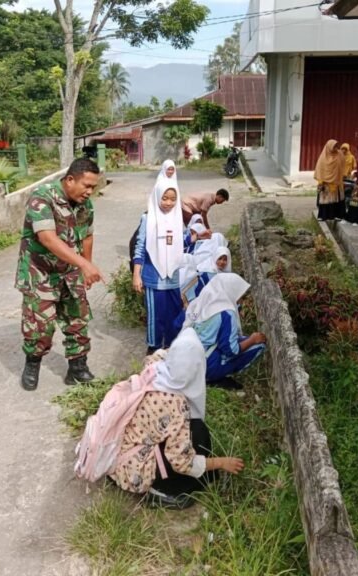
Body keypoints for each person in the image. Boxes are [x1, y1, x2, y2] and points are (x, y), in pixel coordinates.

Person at [108, 328, 245, 509]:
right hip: (133, 469)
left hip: (119, 450)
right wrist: (221, 462)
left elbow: (162, 353)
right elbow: (181, 462)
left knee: (196, 430)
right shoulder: (176, 403)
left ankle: (194, 474)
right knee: (196, 435)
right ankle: (163, 490)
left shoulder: (155, 367)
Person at [16, 157, 104, 390]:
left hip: (70, 271)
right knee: (40, 326)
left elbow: (87, 236)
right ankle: (32, 364)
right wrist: (84, 265)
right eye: (87, 186)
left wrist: (87, 264)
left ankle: (77, 368)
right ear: (70, 179)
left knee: (78, 319)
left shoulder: (85, 205)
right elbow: (47, 238)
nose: (90, 192)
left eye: (93, 187)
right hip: (40, 272)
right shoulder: (42, 198)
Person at [183, 274, 267, 389]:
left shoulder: (201, 301)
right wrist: (252, 340)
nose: (240, 300)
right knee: (258, 345)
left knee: (236, 340)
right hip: (204, 364)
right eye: (240, 296)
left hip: (185, 357)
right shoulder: (226, 313)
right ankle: (213, 378)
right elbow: (231, 350)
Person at [133, 181, 185, 354]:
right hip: (153, 275)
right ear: (157, 197)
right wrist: (136, 274)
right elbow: (140, 246)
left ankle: (171, 345)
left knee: (174, 312)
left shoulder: (178, 218)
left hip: (173, 276)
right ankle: (154, 348)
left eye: (173, 199)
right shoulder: (148, 218)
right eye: (165, 198)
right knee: (156, 314)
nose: (169, 203)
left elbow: (180, 243)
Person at [314, 139, 346, 221]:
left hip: (337, 182)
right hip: (326, 183)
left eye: (336, 146)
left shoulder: (339, 155)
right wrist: (321, 182)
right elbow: (320, 170)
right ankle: (324, 216)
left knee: (336, 199)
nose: (335, 148)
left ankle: (336, 215)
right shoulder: (322, 158)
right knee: (326, 199)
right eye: (334, 146)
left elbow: (343, 166)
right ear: (329, 147)